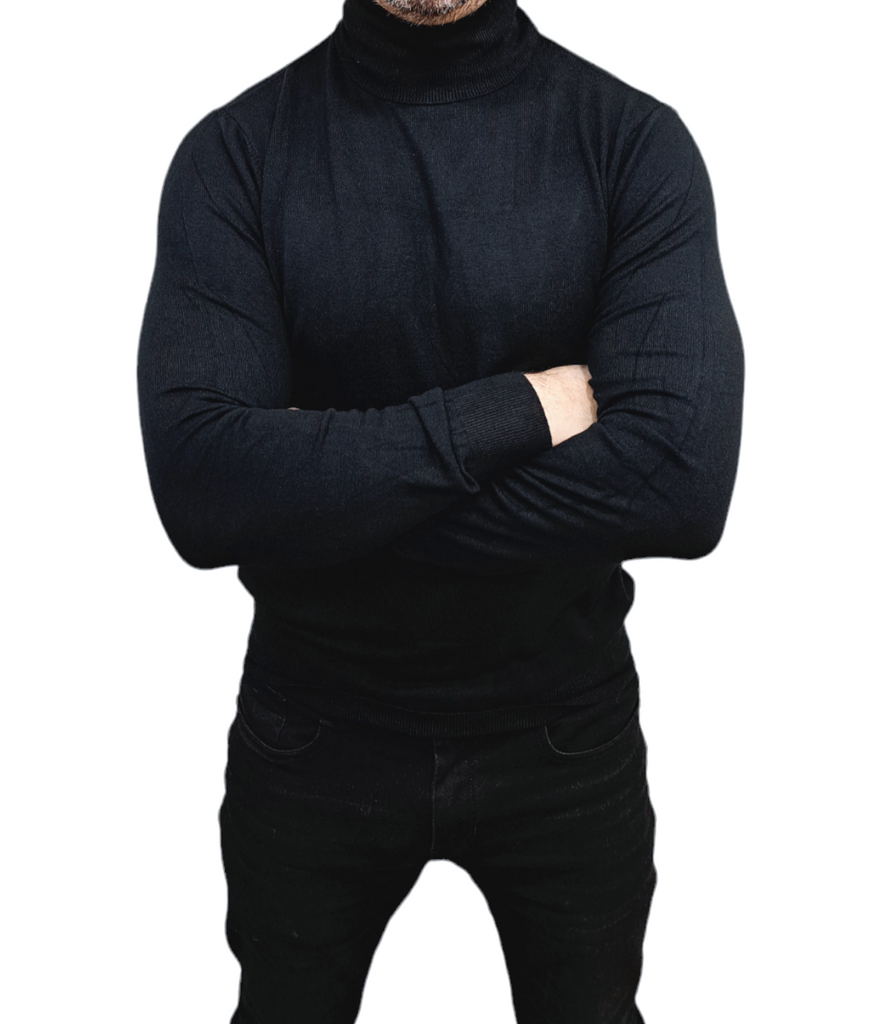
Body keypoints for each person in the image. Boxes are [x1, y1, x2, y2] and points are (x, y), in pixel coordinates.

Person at [136, 0, 744, 1020]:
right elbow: (204, 491)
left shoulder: (631, 143)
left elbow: (676, 486)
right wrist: (520, 409)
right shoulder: (235, 155)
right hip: (313, 731)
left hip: (563, 733)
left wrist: (322, 491)